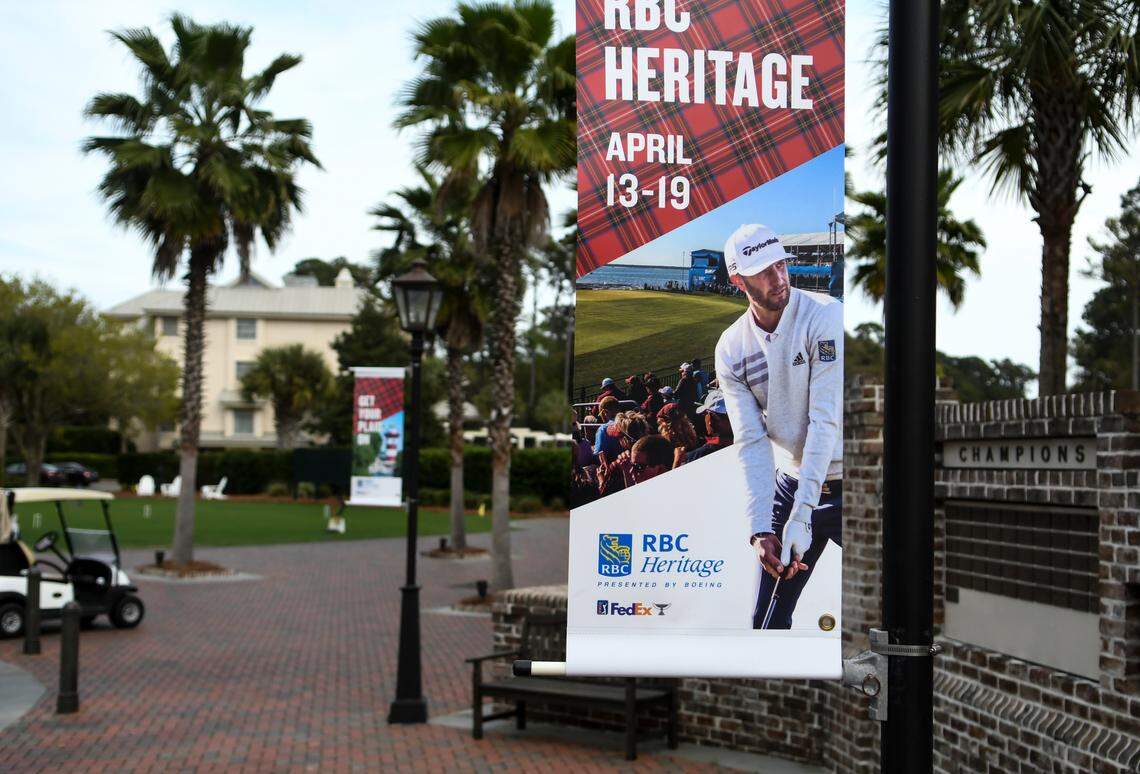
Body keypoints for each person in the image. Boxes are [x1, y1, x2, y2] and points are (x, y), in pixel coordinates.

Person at [714, 223, 843, 631]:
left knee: (898, 605)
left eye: (781, 265)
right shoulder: (732, 347)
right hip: (790, 483)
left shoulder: (824, 315)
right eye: (764, 271)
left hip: (850, 484)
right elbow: (751, 442)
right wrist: (760, 530)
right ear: (738, 279)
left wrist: (802, 516)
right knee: (765, 622)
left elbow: (825, 421)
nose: (779, 277)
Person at [679, 390, 734, 465]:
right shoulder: (750, 441)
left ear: (711, 420)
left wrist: (678, 461)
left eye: (705, 414)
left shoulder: (696, 456)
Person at [592, 396, 623, 462]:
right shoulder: (627, 422)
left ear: (604, 412)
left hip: (613, 466)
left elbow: (598, 455)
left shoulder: (603, 429)